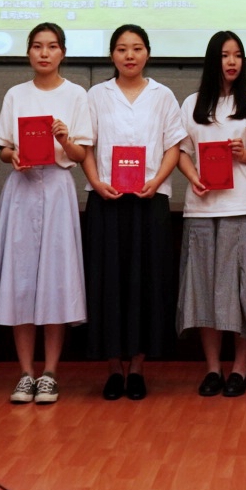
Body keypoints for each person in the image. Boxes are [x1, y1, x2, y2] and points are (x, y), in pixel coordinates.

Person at [0, 22, 93, 406]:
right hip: (22, 190)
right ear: (28, 52)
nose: (44, 53)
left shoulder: (76, 94)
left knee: (55, 280)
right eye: (37, 46)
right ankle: (26, 372)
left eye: (52, 46)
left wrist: (64, 139)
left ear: (63, 52)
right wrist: (12, 156)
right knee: (21, 280)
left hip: (58, 189)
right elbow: (3, 150)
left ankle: (50, 373)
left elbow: (80, 154)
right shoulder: (16, 94)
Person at [81, 24, 185, 401]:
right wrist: (96, 181)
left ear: (147, 54)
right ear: (112, 55)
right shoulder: (97, 95)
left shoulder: (162, 95)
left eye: (137, 48)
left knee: (147, 282)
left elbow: (174, 146)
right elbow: (85, 147)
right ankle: (113, 368)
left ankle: (138, 368)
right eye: (122, 48)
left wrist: (157, 181)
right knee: (107, 282)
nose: (129, 55)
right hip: (106, 200)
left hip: (149, 200)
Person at [175, 31, 246, 398]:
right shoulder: (191, 104)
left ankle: (240, 368)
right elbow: (181, 152)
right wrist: (193, 178)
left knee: (245, 290)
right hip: (201, 210)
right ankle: (213, 368)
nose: (232, 62)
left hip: (244, 206)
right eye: (224, 55)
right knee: (204, 290)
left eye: (237, 55)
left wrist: (243, 154)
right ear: (212, 60)